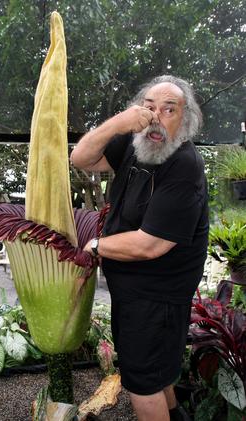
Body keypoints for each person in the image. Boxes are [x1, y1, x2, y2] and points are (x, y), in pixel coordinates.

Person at [70, 75, 209, 421]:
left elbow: (151, 244)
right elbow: (81, 158)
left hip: (156, 298)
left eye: (168, 109)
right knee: (158, 373)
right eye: (149, 107)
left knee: (142, 383)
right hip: (138, 294)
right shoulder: (139, 145)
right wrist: (118, 123)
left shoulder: (184, 165)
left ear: (185, 119)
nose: (155, 117)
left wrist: (96, 245)